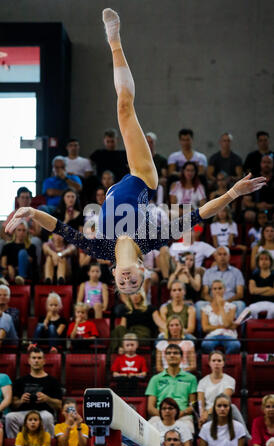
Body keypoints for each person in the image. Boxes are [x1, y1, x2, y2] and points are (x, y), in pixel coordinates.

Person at [5, 9, 267, 296]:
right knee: (124, 108)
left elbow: (58, 227)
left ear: (114, 273)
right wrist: (232, 194)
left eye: (122, 283)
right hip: (142, 177)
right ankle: (115, 41)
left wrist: (31, 211)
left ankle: (115, 43)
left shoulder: (100, 247)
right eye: (135, 282)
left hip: (112, 191)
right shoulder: (151, 240)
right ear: (143, 271)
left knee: (123, 110)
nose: (128, 279)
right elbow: (199, 215)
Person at [5, 347, 62, 438]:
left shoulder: (53, 381)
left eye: (39, 358)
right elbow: (13, 404)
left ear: (44, 361)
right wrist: (21, 400)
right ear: (29, 361)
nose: (36, 361)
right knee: (10, 417)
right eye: (34, 358)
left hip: (43, 413)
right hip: (23, 413)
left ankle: (47, 445)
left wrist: (47, 399)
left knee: (48, 417)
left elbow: (59, 405)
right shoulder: (20, 381)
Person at [145, 343, 197, 433]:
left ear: (181, 357)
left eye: (175, 353)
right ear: (165, 357)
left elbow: (193, 405)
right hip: (160, 416)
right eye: (169, 353)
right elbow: (150, 408)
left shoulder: (191, 378)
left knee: (189, 428)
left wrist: (179, 414)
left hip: (183, 416)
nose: (172, 355)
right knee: (149, 429)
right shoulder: (155, 379)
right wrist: (164, 414)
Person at [197, 350, 249, 435]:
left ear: (223, 363)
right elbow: (200, 403)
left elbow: (223, 399)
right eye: (213, 361)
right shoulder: (202, 381)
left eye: (219, 361)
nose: (216, 363)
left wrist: (207, 412)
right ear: (209, 363)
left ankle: (247, 437)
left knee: (232, 407)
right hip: (209, 416)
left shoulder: (230, 380)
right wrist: (202, 416)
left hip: (223, 411)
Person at [196, 246, 245, 324]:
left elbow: (240, 293)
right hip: (212, 302)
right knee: (199, 305)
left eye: (225, 254)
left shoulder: (237, 272)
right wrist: (214, 302)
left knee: (241, 305)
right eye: (220, 254)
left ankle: (240, 333)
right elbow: (204, 293)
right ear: (215, 257)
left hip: (230, 302)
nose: (222, 256)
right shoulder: (208, 272)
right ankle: (200, 334)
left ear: (229, 257)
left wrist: (225, 302)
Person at [0, 186, 42, 264]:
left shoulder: (35, 214)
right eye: (22, 197)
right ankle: (3, 270)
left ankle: (36, 269)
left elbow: (38, 233)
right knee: (1, 243)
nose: (25, 200)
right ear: (18, 199)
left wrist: (26, 229)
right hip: (14, 240)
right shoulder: (13, 214)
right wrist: (8, 239)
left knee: (37, 241)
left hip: (29, 239)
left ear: (30, 200)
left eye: (27, 198)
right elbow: (3, 231)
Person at [201, 280, 241, 354]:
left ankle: (222, 361)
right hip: (213, 335)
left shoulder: (232, 307)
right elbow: (205, 328)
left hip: (228, 335)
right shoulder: (205, 309)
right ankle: (215, 359)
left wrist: (221, 306)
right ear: (211, 291)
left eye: (220, 288)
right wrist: (221, 326)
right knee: (205, 345)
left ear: (224, 290)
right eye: (215, 289)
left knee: (235, 345)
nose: (217, 291)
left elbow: (226, 324)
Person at [1, 221, 37, 285]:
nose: (21, 232)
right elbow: (3, 263)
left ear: (27, 232)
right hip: (9, 272)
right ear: (15, 231)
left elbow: (31, 262)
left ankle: (21, 278)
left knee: (22, 253)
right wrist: (8, 267)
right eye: (19, 230)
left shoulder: (31, 247)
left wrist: (14, 267)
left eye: (24, 230)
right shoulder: (7, 246)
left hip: (25, 272)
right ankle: (3, 279)